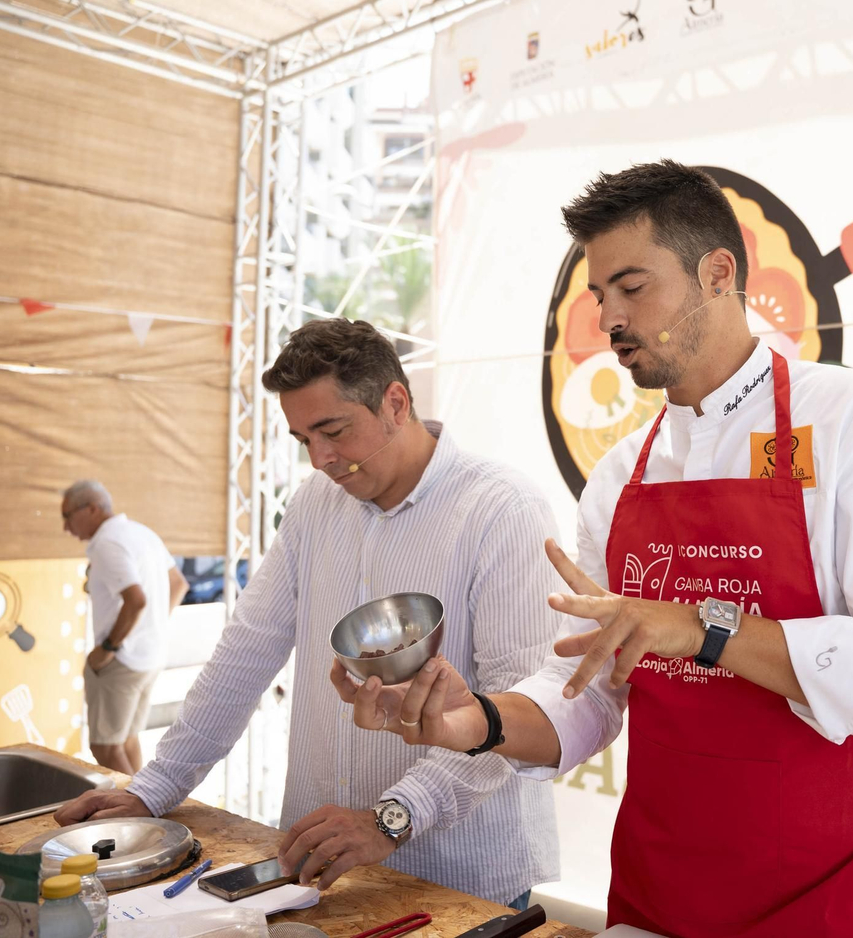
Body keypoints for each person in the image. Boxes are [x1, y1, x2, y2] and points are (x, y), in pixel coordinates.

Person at [340, 162, 853, 936]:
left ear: (718, 273)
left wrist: (707, 628)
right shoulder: (618, 478)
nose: (608, 319)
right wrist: (474, 721)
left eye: (632, 287)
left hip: (839, 890)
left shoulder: (852, 420)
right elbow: (591, 691)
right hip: (667, 892)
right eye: (600, 296)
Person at [54, 319, 564, 908]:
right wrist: (156, 787)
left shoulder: (502, 509)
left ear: (395, 403)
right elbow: (246, 651)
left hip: (462, 877)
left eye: (333, 431)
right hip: (321, 864)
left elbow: (519, 710)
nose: (320, 459)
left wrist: (392, 818)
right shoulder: (315, 504)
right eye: (303, 440)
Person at [60, 480, 187, 775]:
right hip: (148, 656)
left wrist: (108, 648)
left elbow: (136, 600)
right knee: (126, 740)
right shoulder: (141, 533)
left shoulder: (108, 543)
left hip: (123, 660)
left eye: (67, 516)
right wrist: (149, 627)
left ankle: (133, 813)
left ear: (92, 509)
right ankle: (144, 809)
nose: (66, 528)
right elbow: (178, 584)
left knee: (105, 747)